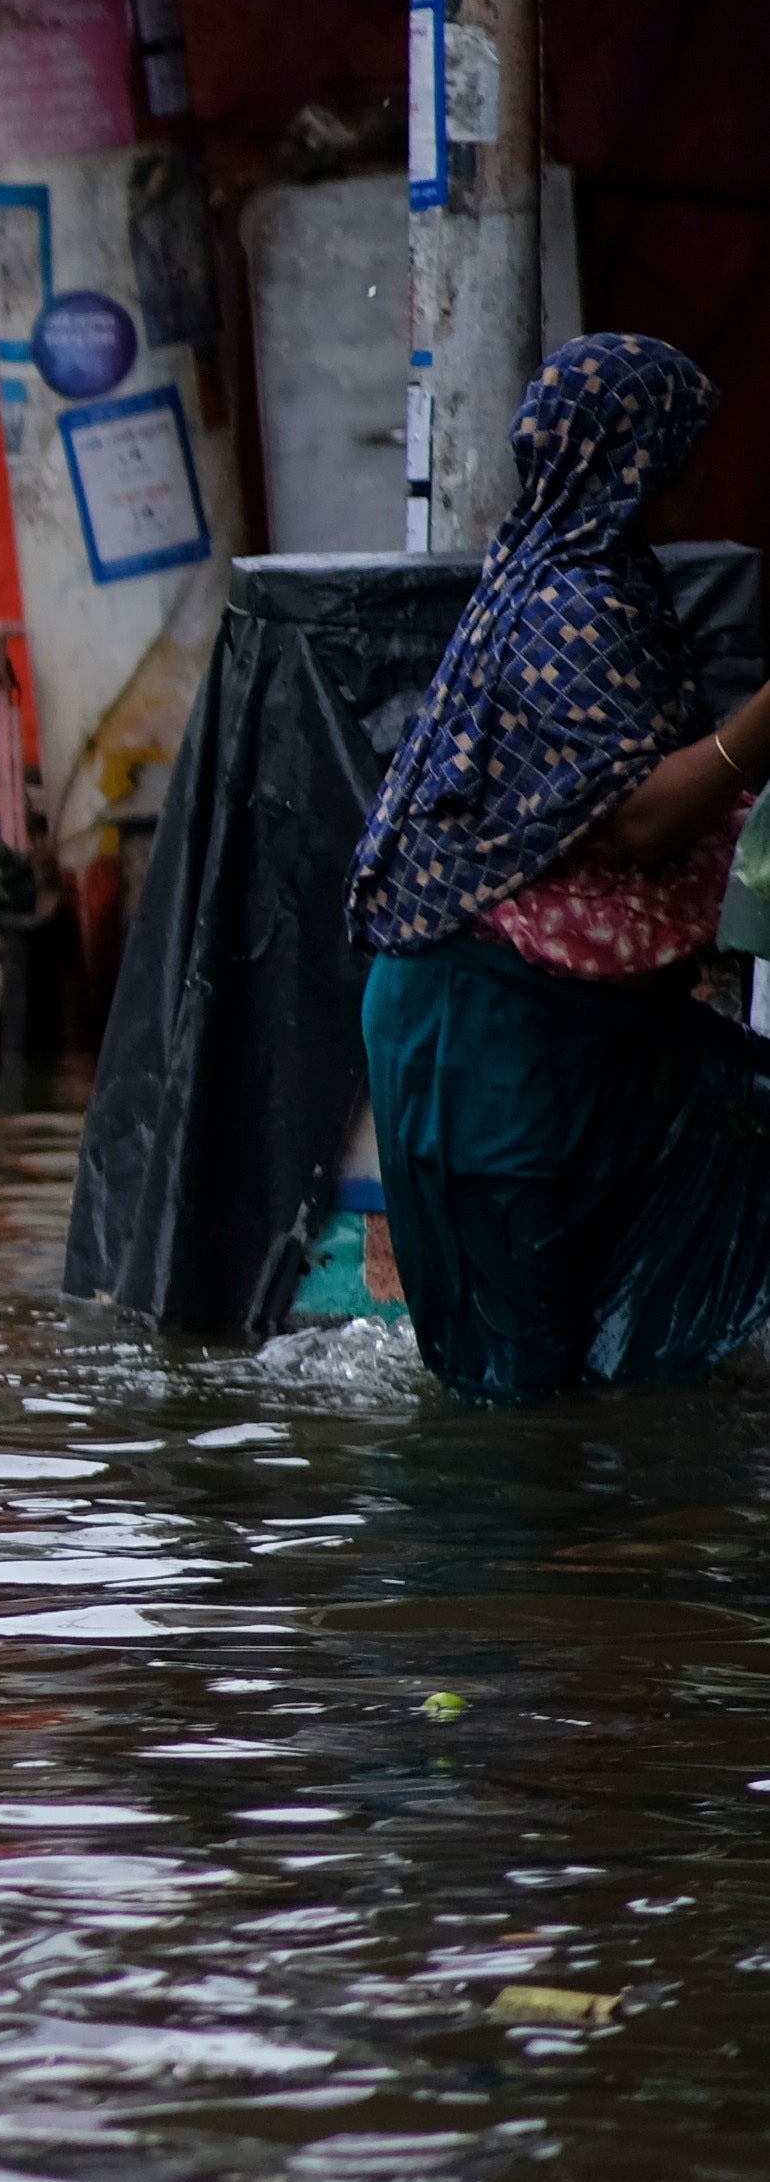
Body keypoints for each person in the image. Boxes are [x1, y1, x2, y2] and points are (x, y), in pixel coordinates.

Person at [346, 337, 770, 1404]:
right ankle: (522, 1553)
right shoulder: (567, 603)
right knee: (520, 1387)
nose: (705, 474)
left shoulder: (606, 581)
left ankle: (584, 1536)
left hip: (568, 1032)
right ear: (638, 459)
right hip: (488, 1041)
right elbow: (635, 821)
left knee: (584, 1362)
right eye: (686, 452)